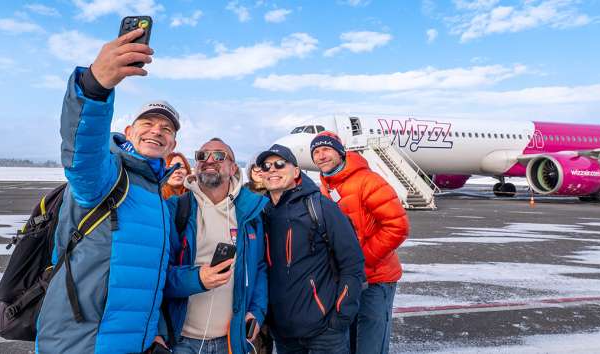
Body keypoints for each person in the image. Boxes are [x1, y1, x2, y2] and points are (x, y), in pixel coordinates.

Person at [36, 28, 179, 353]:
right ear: (129, 131)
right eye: (148, 123)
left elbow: (148, 277)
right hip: (79, 343)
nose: (157, 130)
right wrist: (94, 88)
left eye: (167, 129)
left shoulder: (158, 198)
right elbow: (81, 151)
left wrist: (153, 333)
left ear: (173, 144)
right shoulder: (107, 174)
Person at [162, 138, 268, 354]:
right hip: (181, 342)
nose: (209, 160)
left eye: (219, 156)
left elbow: (259, 267)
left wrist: (257, 311)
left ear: (233, 168)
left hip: (231, 340)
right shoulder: (174, 209)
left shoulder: (250, 212)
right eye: (202, 155)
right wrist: (197, 279)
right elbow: (158, 274)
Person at [258, 144, 365, 354]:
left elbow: (352, 264)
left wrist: (340, 317)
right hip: (284, 334)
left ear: (296, 171)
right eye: (266, 165)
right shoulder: (262, 213)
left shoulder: (320, 207)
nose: (272, 170)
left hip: (324, 333)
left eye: (280, 164)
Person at [310, 131, 409, 354]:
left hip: (375, 279)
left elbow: (397, 226)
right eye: (316, 152)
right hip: (348, 280)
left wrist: (361, 262)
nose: (321, 156)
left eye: (326, 149)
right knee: (350, 343)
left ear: (340, 152)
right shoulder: (326, 186)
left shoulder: (367, 180)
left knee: (370, 344)